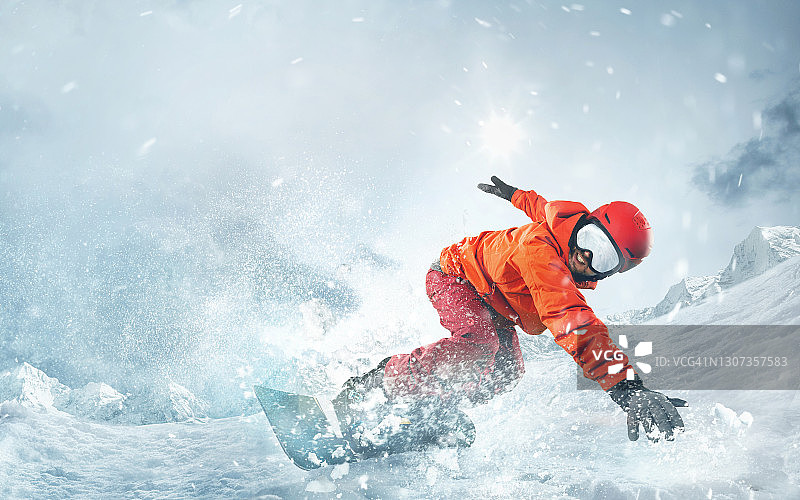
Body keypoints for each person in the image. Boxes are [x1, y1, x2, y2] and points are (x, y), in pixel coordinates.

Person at [333, 176, 686, 446]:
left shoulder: (564, 224)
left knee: (506, 373)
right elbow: (573, 321)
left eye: (604, 258)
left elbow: (542, 207)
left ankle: (431, 407)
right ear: (583, 225)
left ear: (612, 271)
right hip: (456, 275)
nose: (586, 256)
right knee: (478, 347)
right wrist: (627, 388)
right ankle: (370, 387)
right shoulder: (541, 252)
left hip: (495, 302)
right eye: (590, 241)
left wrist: (515, 195)